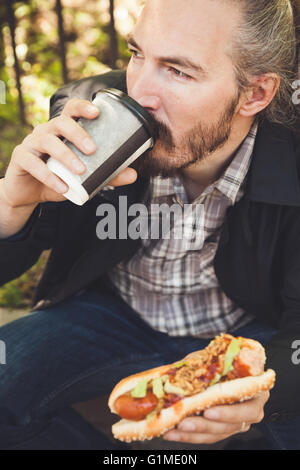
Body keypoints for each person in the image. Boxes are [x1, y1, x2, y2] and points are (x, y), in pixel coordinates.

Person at [0, 0, 300, 450]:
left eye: (178, 71)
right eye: (138, 53)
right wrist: (10, 206)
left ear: (255, 94)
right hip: (114, 315)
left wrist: (272, 392)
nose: (138, 92)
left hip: (250, 330)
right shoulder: (89, 120)